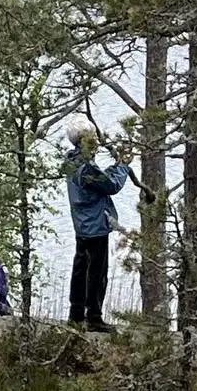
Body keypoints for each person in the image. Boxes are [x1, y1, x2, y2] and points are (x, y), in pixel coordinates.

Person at [64, 116, 129, 333]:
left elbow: (100, 180)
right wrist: (122, 166)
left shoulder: (72, 162)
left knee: (81, 268)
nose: (96, 143)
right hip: (95, 226)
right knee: (97, 272)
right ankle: (94, 316)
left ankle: (76, 313)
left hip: (81, 224)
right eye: (92, 139)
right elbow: (111, 185)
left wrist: (114, 166)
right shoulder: (87, 168)